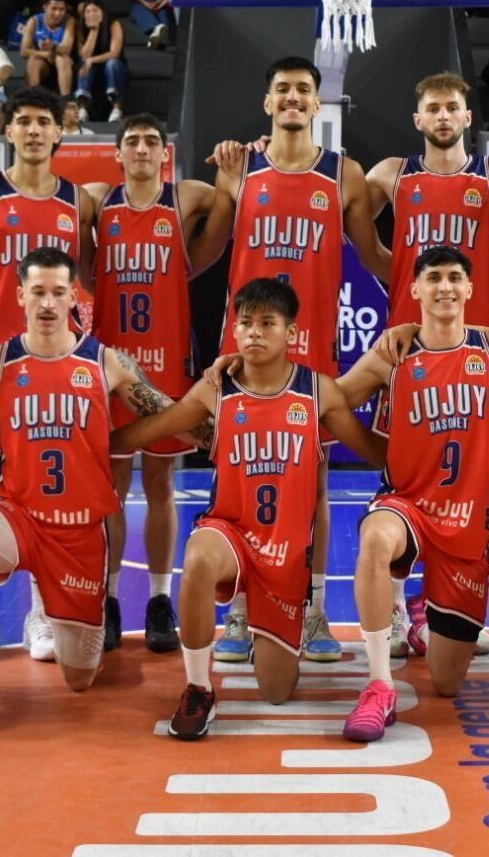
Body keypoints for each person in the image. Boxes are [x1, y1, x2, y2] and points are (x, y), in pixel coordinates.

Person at [111, 277, 382, 739]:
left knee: (277, 691)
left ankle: (270, 635)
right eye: (245, 324)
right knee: (197, 557)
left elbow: (375, 452)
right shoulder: (216, 390)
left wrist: (431, 459)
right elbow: (152, 429)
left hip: (285, 557)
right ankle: (199, 687)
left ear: (291, 333)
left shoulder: (319, 394)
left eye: (267, 323)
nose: (254, 333)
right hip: (231, 533)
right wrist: (88, 443)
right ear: (233, 332)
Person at [189, 56, 394, 664]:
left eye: (304, 90)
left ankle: (312, 613)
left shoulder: (344, 175)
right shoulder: (240, 170)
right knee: (238, 482)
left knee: (317, 488)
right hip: (245, 356)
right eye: (283, 89)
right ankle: (240, 614)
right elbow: (206, 253)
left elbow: (377, 256)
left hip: (312, 360)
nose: (294, 99)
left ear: (317, 103)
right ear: (267, 101)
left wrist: (435, 292)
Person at [0, 245, 186, 736]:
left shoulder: (104, 361)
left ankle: (60, 614)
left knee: (79, 679)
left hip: (78, 536)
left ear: (73, 296)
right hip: (19, 517)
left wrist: (220, 417)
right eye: (38, 293)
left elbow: (163, 411)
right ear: (20, 296)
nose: (48, 304)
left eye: (58, 293)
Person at [337, 247, 489, 739]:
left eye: (454, 278)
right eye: (434, 278)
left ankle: (422, 622)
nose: (444, 287)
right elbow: (331, 400)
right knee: (377, 539)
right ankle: (379, 685)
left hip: (469, 530)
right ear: (415, 290)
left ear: (470, 289)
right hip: (408, 507)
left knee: (447, 683)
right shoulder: (394, 354)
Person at [0, 85, 99, 661]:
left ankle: (41, 614)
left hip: (53, 362)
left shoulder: (77, 203)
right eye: (23, 122)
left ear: (61, 132)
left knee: (45, 491)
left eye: (43, 122)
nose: (33, 131)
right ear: (8, 132)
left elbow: (89, 279)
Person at [77, 115, 220, 655]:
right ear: (117, 154)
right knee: (110, 490)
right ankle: (109, 598)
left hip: (167, 369)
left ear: (165, 153)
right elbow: (87, 272)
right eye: (132, 142)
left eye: (151, 142)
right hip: (111, 373)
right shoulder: (96, 201)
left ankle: (160, 599)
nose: (141, 149)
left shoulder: (184, 199)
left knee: (160, 486)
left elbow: (232, 197)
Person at [365, 74, 489, 334]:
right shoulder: (390, 173)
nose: (443, 116)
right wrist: (403, 273)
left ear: (467, 118)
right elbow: (348, 225)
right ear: (418, 120)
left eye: (452, 108)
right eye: (433, 109)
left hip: (477, 330)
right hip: (409, 329)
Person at [21, 0, 76, 94]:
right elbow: (24, 51)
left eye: (61, 9)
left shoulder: (69, 21)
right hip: (44, 65)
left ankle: (66, 100)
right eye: (54, 9)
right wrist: (47, 54)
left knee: (62, 58)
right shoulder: (34, 21)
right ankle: (35, 100)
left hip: (64, 66)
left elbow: (67, 49)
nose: (58, 13)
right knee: (33, 61)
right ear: (45, 8)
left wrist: (53, 47)